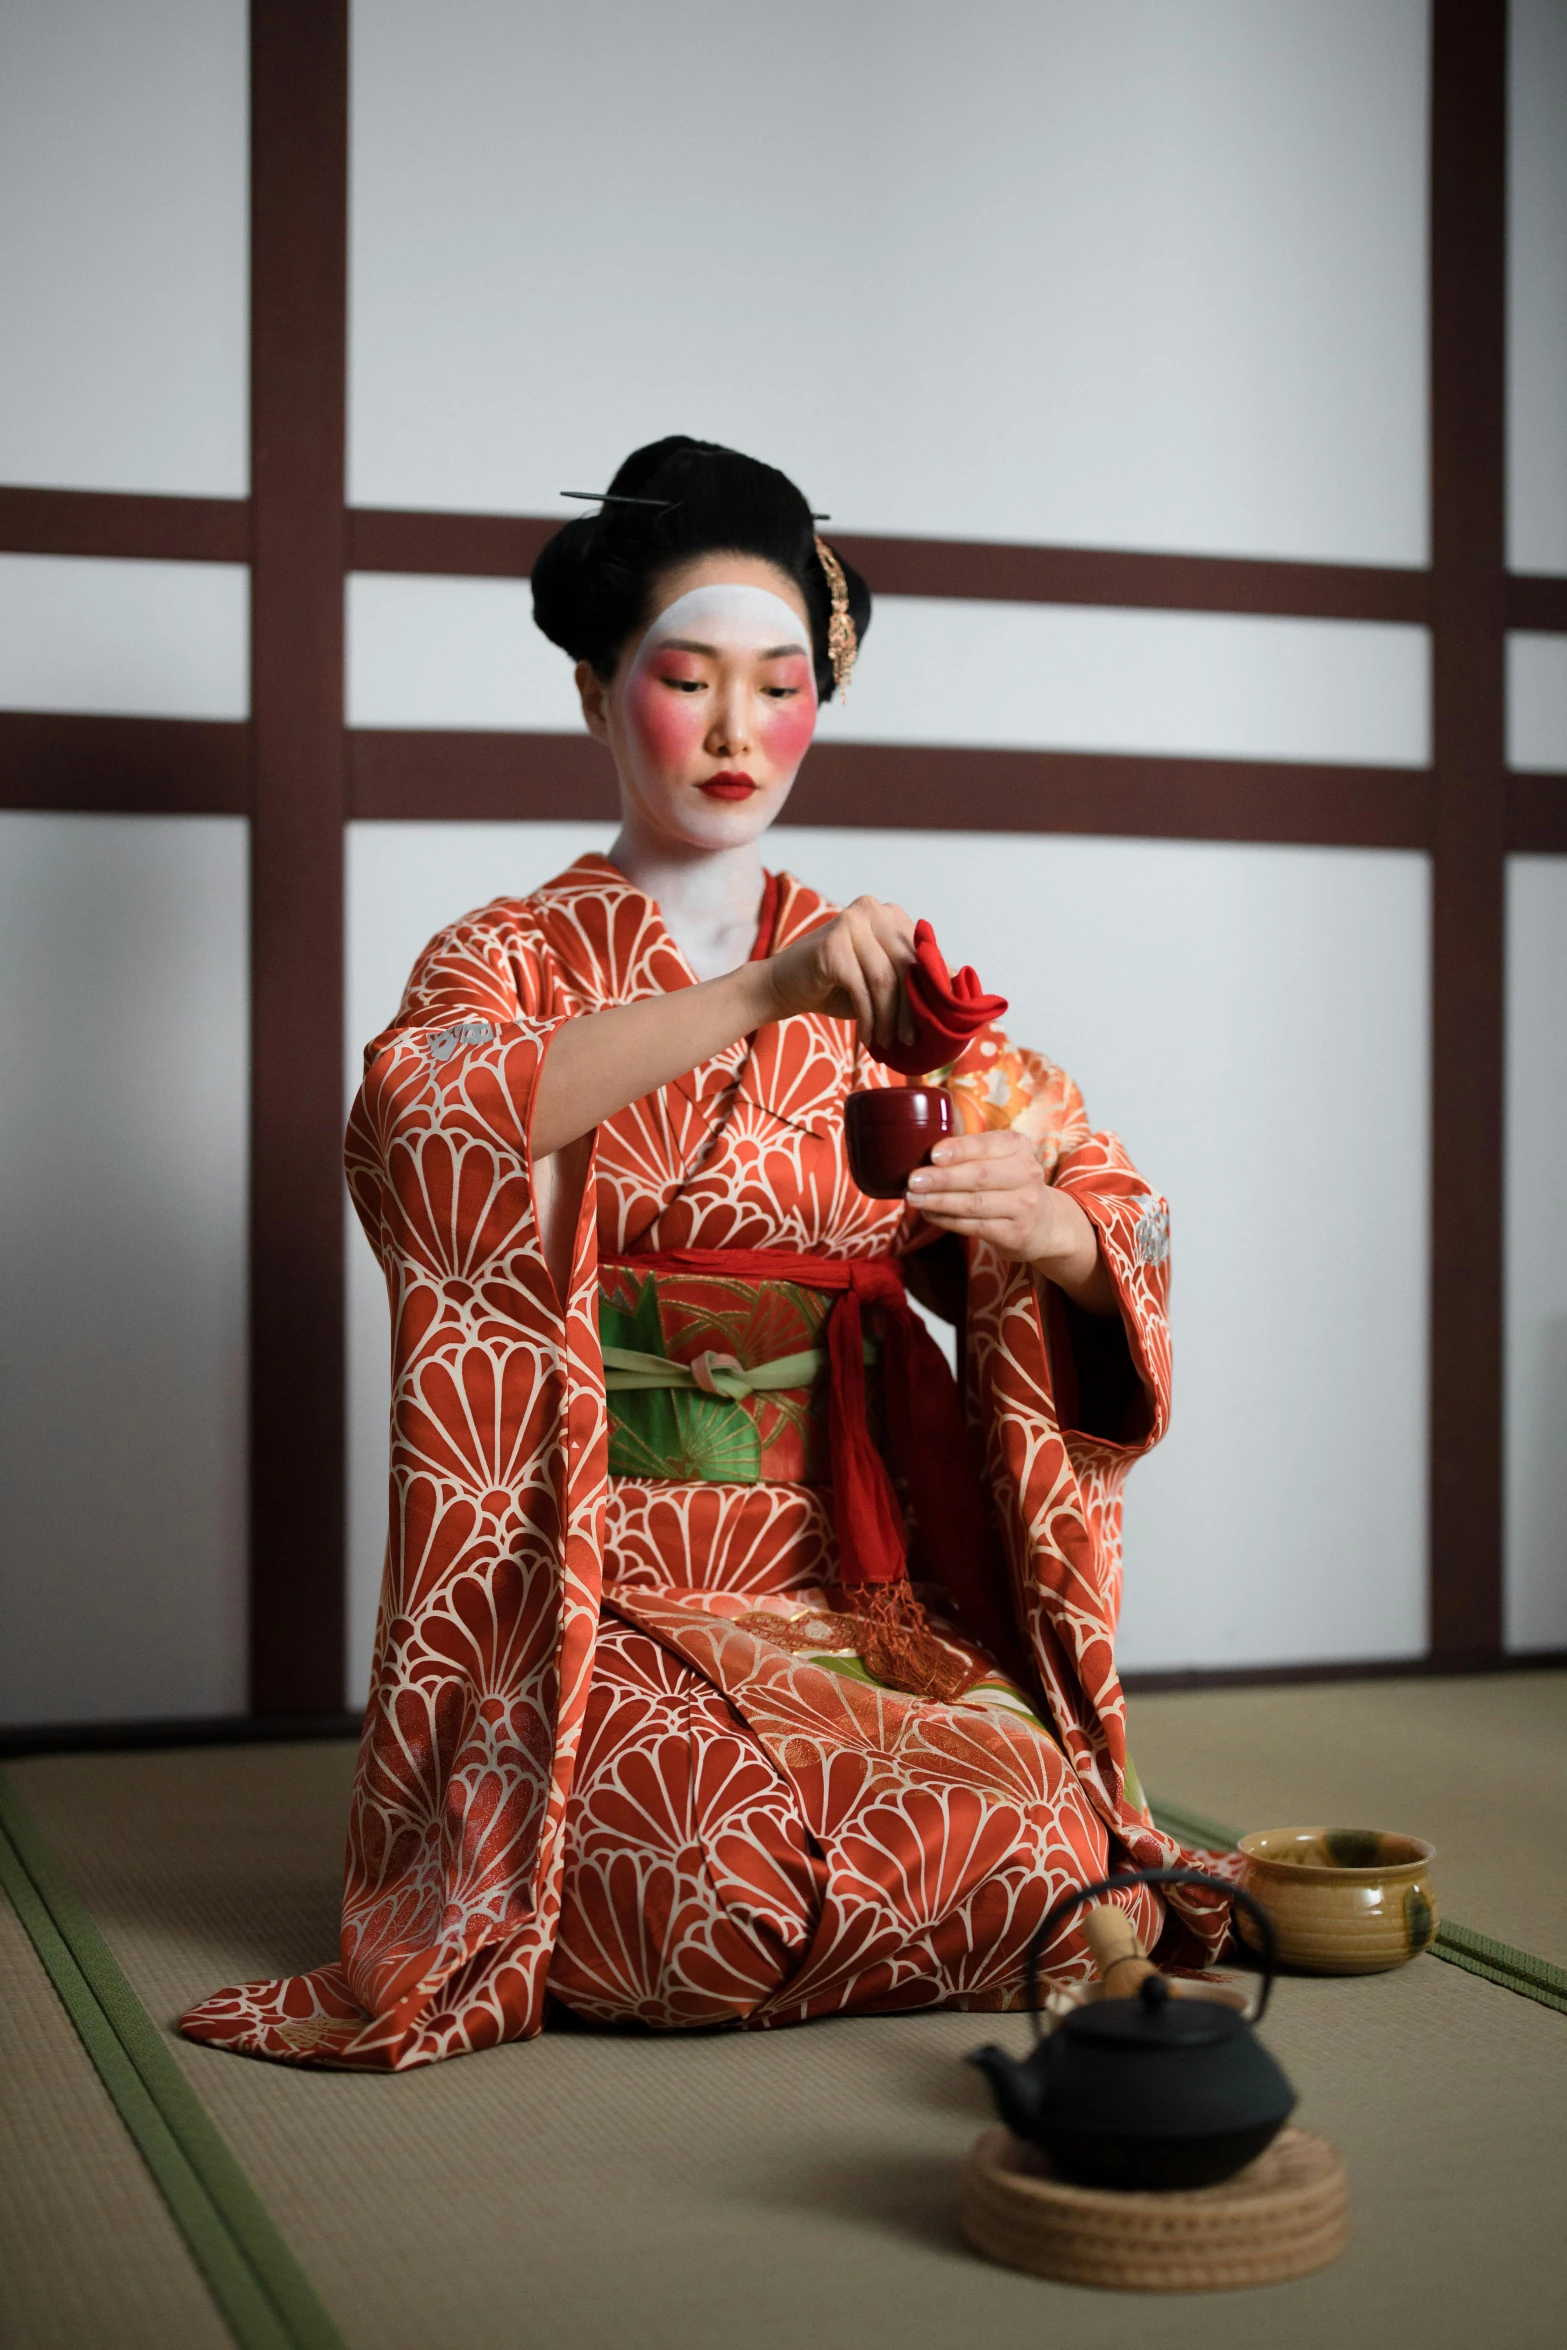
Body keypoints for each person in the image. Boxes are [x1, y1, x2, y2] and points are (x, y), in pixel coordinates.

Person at [182, 436, 1226, 2070]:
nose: (738, 732)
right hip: (592, 1591)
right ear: (599, 691)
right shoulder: (514, 955)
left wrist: (1057, 1233)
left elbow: (1112, 1192)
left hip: (840, 1580)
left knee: (1049, 1846)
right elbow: (427, 1122)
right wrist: (763, 993)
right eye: (687, 679)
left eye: (779, 682)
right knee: (716, 1884)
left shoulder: (890, 984)